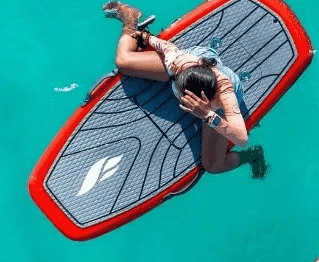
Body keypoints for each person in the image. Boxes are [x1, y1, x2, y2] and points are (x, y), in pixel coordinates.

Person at [102, 1, 268, 178]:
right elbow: (166, 47)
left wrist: (208, 115)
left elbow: (241, 139)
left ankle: (252, 156)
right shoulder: (178, 64)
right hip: (198, 59)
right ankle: (131, 16)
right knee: (123, 61)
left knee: (213, 165)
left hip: (213, 101)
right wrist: (145, 37)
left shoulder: (225, 93)